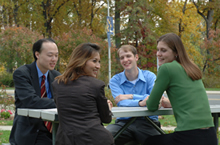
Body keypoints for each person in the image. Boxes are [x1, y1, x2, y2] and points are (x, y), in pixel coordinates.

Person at [139, 33, 217, 145]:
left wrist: (155, 101)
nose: (158, 54)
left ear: (176, 52)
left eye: (163, 50)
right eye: (158, 50)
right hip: (210, 136)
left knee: (150, 141)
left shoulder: (166, 68)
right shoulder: (192, 68)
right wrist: (170, 102)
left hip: (189, 136)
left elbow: (151, 105)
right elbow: (190, 98)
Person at [52, 43, 114, 145]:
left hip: (66, 141)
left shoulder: (57, 84)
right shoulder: (96, 85)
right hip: (95, 140)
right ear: (81, 61)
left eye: (99, 62)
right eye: (94, 61)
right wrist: (108, 108)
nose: (98, 66)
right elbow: (106, 119)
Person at [106, 45, 161, 145]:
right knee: (104, 137)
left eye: (128, 56)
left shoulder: (149, 76)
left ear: (136, 57)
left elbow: (155, 99)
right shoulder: (115, 80)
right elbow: (121, 102)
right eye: (122, 58)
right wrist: (141, 102)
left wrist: (130, 96)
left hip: (148, 122)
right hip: (123, 123)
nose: (125, 60)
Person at [9, 38, 61, 145]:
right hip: (30, 131)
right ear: (37, 54)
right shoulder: (22, 73)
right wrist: (61, 102)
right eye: (50, 55)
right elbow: (31, 101)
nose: (54, 59)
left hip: (54, 129)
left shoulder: (57, 76)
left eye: (56, 55)